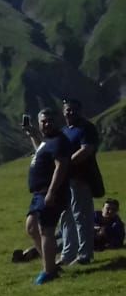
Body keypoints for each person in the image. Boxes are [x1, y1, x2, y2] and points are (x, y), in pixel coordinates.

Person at [21, 108, 73, 284]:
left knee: (46, 230)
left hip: (50, 192)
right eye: (43, 121)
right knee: (31, 228)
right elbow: (40, 150)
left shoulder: (59, 141)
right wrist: (32, 135)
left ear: (56, 121)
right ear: (39, 123)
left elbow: (61, 167)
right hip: (39, 193)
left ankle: (49, 272)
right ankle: (50, 264)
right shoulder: (47, 141)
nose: (47, 123)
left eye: (50, 120)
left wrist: (51, 192)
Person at [57, 97, 102, 265]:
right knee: (66, 217)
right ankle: (68, 254)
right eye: (67, 109)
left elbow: (87, 149)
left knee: (81, 217)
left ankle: (84, 255)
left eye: (73, 109)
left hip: (81, 179)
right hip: (65, 180)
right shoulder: (65, 130)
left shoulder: (86, 128)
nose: (70, 112)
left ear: (80, 111)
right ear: (63, 112)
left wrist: (66, 163)